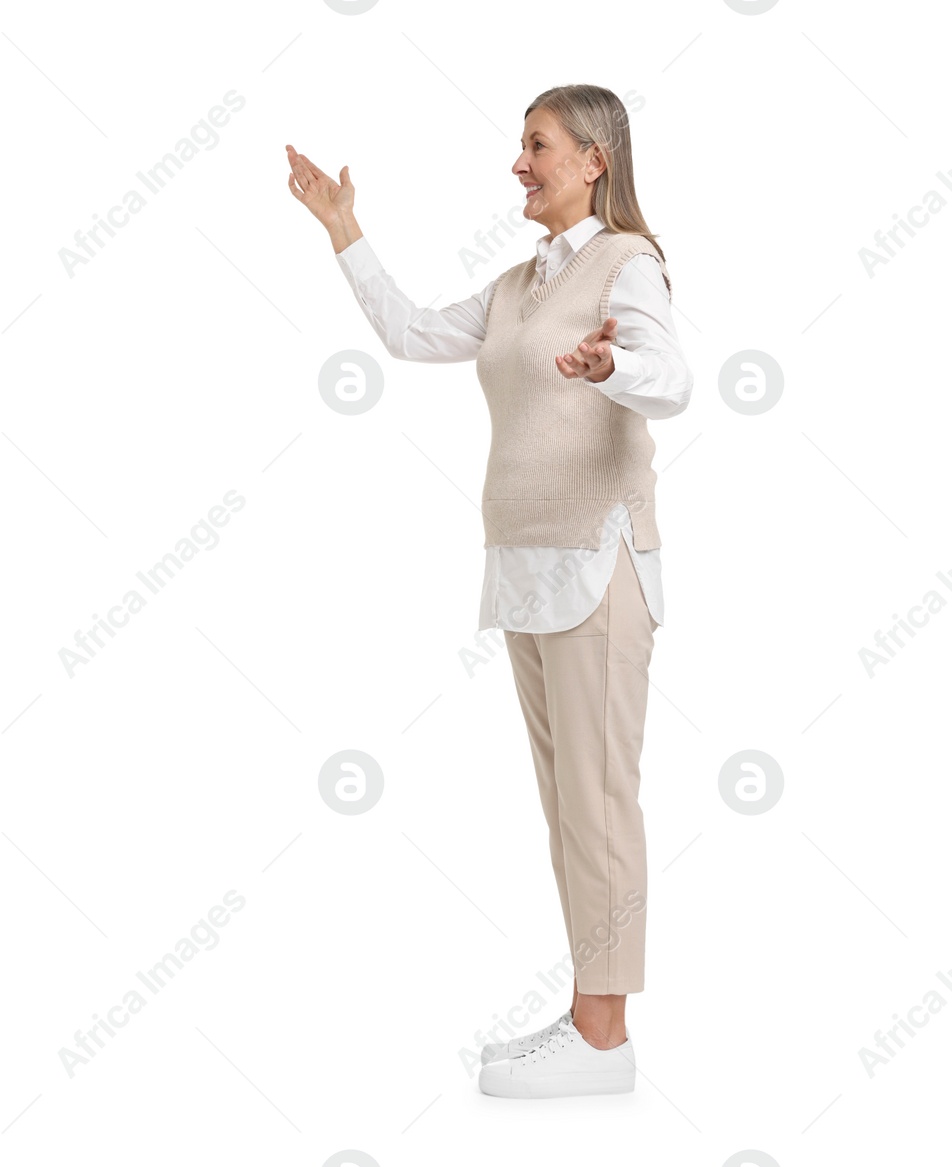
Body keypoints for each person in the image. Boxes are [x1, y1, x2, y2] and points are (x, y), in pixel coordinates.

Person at [286, 82, 691, 1099]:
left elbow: (672, 380)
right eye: (519, 146)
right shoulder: (518, 284)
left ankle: (604, 1042)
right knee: (565, 808)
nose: (518, 164)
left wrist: (610, 365)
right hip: (526, 569)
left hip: (599, 564)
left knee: (599, 803)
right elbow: (414, 334)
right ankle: (586, 1020)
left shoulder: (624, 262)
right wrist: (344, 233)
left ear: (593, 160)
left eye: (537, 146)